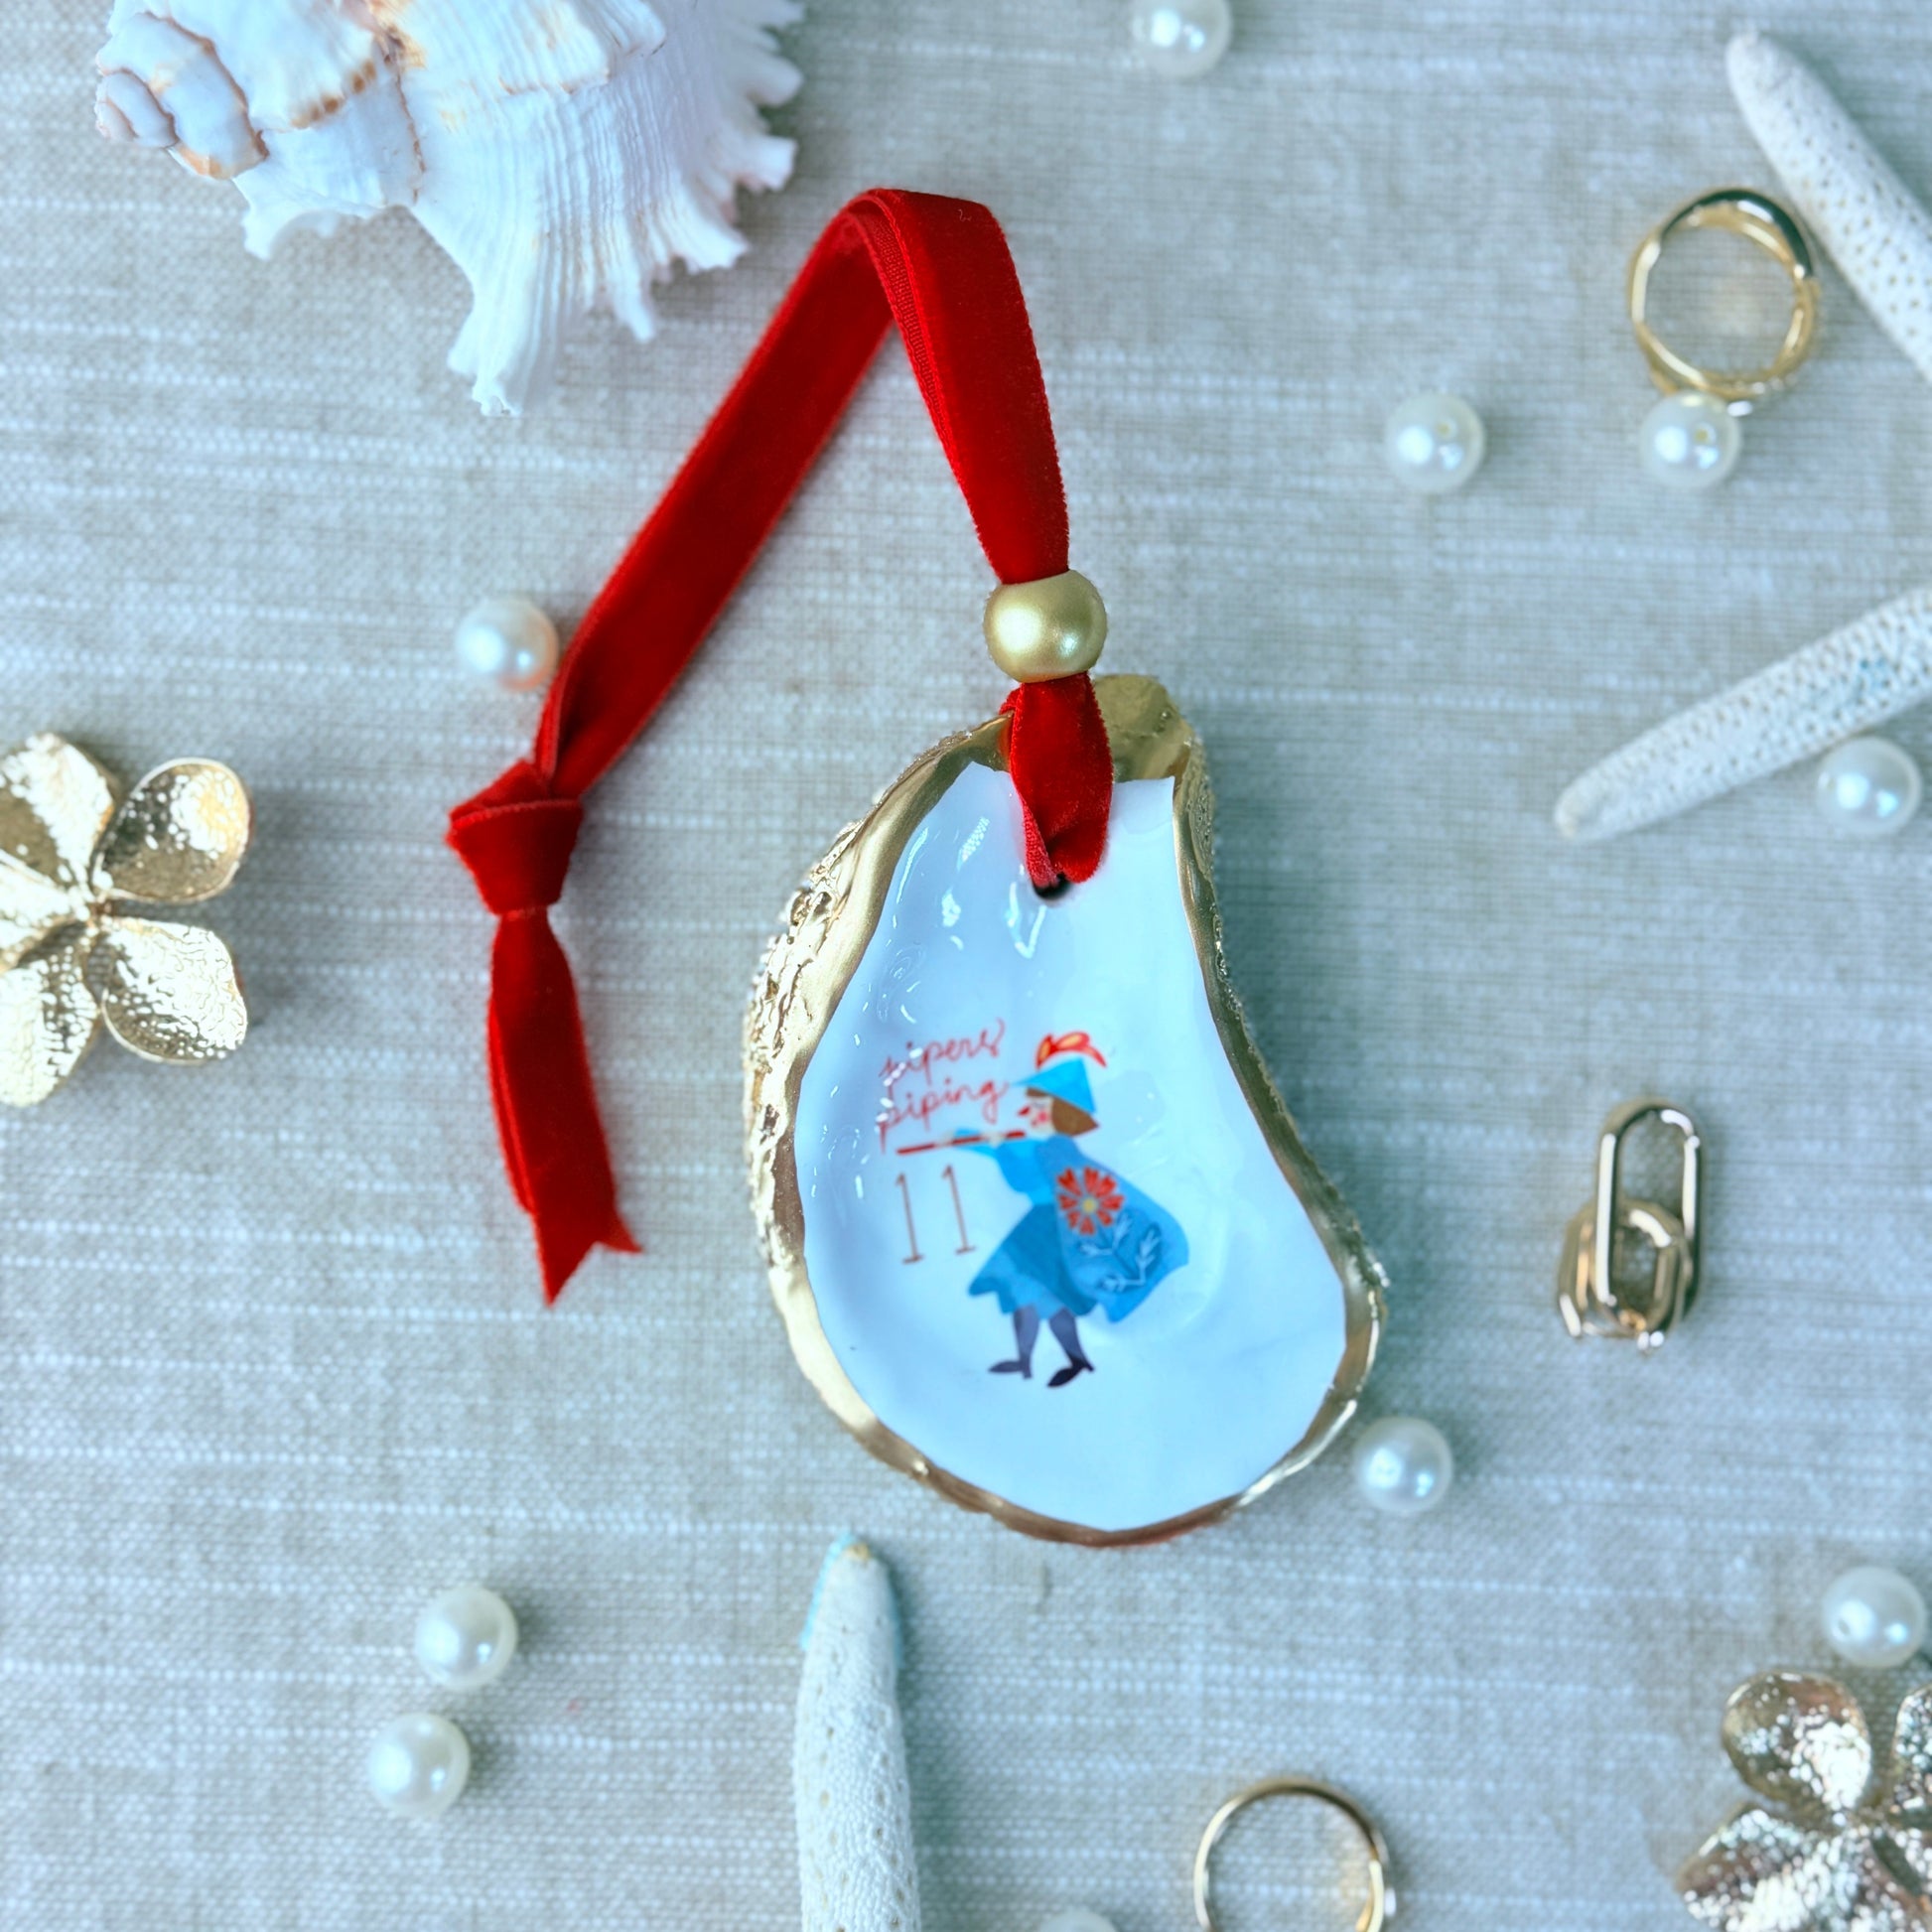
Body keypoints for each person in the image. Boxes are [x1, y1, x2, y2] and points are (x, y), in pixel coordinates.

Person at [954, 1034, 1187, 1387]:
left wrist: (996, 1147)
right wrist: (977, 1138)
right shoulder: (1048, 1146)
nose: (1027, 1111)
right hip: (1049, 1224)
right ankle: (1027, 1361)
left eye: (1036, 1105)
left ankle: (1072, 1360)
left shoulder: (1054, 1150)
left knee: (1044, 1297)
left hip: (1057, 1228)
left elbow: (1026, 1180)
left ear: (1057, 1109)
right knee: (1026, 1294)